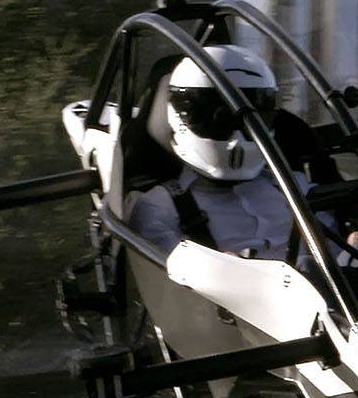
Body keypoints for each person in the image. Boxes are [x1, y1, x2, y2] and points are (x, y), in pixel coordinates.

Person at [126, 44, 306, 258]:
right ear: (183, 116)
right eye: (222, 119)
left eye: (252, 118)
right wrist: (220, 269)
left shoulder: (295, 187)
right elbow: (170, 281)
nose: (237, 132)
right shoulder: (160, 208)